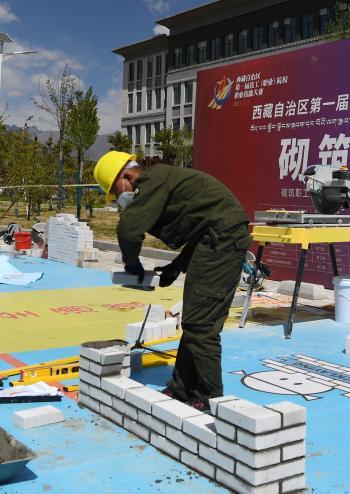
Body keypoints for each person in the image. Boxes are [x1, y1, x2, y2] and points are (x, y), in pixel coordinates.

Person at [94, 150, 250, 411]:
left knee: (201, 325)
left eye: (116, 192)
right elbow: (202, 226)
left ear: (127, 176)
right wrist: (177, 266)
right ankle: (181, 389)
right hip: (214, 238)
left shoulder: (152, 181)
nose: (119, 199)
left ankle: (212, 399)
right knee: (194, 320)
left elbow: (129, 230)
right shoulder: (161, 181)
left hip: (223, 240)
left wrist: (132, 265)